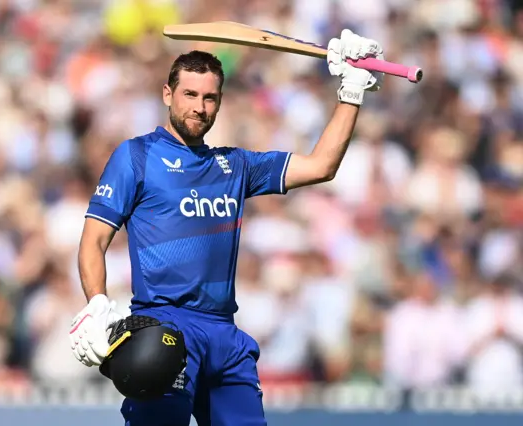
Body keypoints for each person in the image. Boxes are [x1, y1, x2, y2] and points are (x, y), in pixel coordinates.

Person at [69, 29, 385, 425]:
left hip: (225, 336)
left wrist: (351, 90)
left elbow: (321, 166)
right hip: (167, 328)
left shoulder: (235, 165)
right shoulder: (136, 156)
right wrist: (96, 304)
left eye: (209, 98)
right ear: (168, 94)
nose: (199, 107)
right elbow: (93, 241)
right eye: (190, 95)